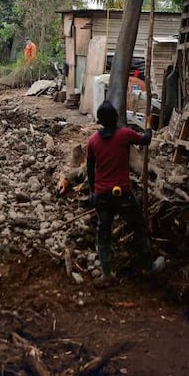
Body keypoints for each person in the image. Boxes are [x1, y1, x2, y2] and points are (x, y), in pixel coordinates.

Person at [59, 100, 164, 286]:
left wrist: (93, 193)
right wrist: (149, 126)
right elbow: (146, 140)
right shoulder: (125, 135)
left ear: (99, 121)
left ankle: (107, 273)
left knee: (103, 233)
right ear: (116, 118)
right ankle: (148, 266)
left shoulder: (92, 141)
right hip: (122, 193)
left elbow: (90, 171)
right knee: (138, 225)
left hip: (101, 195)